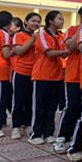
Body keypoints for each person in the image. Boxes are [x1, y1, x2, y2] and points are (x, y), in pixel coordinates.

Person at [54, 4, 82, 154]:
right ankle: (61, 138)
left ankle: (80, 139)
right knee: (72, 107)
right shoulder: (73, 29)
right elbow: (71, 47)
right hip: (74, 76)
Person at [29, 11, 69, 144]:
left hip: (57, 76)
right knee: (39, 107)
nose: (62, 21)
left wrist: (69, 48)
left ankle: (48, 133)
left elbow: (63, 55)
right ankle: (35, 134)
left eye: (63, 19)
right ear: (51, 21)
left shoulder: (60, 36)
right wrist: (71, 50)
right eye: (59, 19)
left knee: (52, 108)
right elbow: (50, 53)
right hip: (42, 75)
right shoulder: (42, 34)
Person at [10, 13, 41, 140]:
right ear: (26, 21)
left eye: (38, 22)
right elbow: (19, 51)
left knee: (30, 101)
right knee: (18, 101)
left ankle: (27, 124)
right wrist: (32, 40)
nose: (36, 24)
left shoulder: (39, 37)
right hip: (20, 72)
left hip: (35, 73)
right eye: (33, 21)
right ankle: (16, 127)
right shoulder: (19, 35)